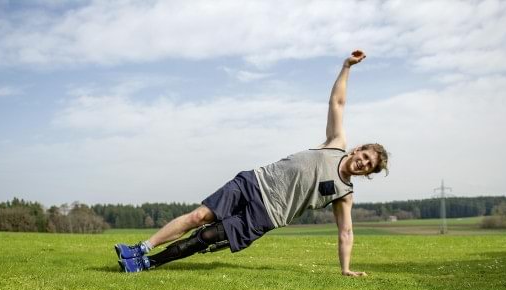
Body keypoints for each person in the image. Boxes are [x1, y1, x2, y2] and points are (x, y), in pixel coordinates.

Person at [115, 50, 388, 277]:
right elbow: (337, 103)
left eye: (369, 166)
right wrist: (346, 67)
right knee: (198, 216)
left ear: (368, 173)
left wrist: (346, 269)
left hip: (266, 215)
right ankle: (141, 247)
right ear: (358, 150)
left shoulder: (345, 194)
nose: (363, 163)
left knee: (207, 237)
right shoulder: (336, 143)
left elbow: (346, 231)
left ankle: (147, 264)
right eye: (365, 156)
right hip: (255, 182)